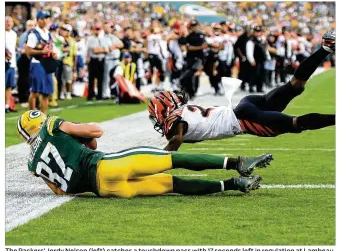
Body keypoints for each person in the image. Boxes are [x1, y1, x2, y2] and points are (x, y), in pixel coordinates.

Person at [16, 110, 273, 198]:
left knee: (173, 185)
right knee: (173, 159)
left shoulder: (32, 164)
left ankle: (234, 185)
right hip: (107, 166)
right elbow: (96, 131)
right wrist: (77, 137)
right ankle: (238, 163)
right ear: (39, 122)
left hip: (105, 191)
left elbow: (63, 191)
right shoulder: (52, 125)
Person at [148, 32, 336, 151]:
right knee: (295, 84)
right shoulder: (184, 111)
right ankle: (325, 48)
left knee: (295, 124)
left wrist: (159, 157)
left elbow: (176, 140)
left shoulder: (173, 122)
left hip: (243, 119)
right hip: (246, 104)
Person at [25, 10, 58, 114]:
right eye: (43, 19)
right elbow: (28, 51)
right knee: (35, 91)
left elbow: (51, 47)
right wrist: (41, 51)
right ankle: (31, 115)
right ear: (38, 20)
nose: (45, 21)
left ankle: (43, 116)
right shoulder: (33, 34)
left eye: (46, 18)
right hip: (37, 64)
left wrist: (53, 53)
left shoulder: (48, 33)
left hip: (47, 64)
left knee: (46, 92)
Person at [5, 16, 17, 113]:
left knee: (9, 86)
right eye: (7, 21)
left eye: (10, 21)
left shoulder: (14, 34)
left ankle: (7, 105)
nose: (8, 23)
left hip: (12, 63)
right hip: (4, 63)